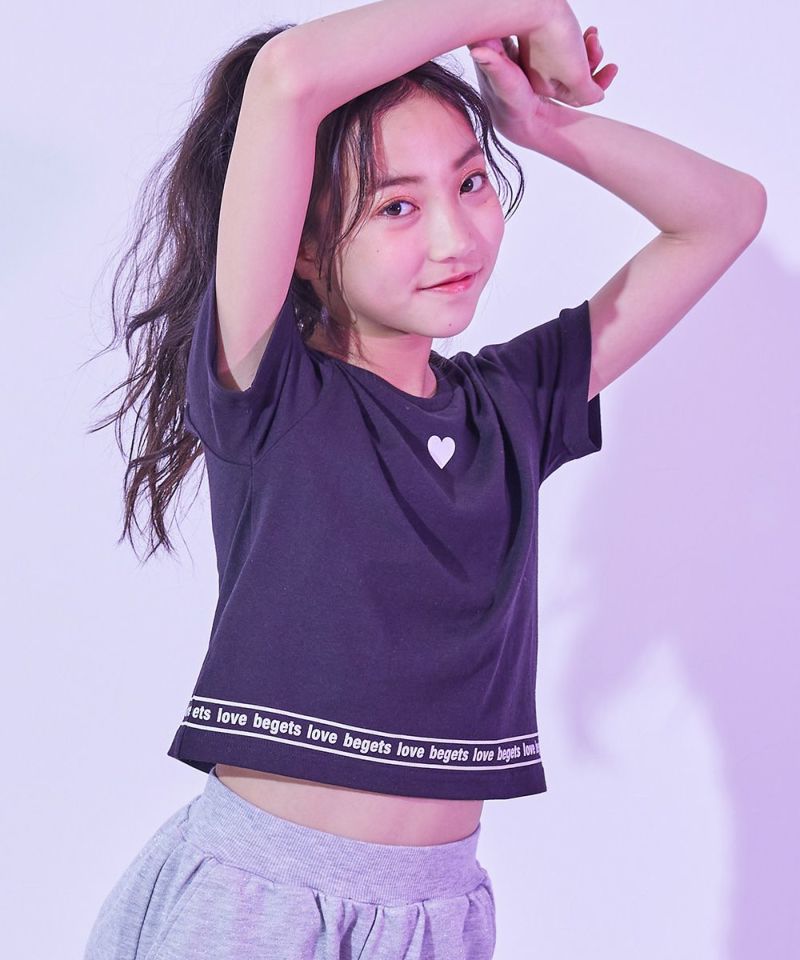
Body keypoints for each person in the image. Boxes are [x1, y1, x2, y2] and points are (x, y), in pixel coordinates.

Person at [83, 0, 766, 957]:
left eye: (472, 182)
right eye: (397, 206)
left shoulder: (514, 406)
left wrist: (539, 123)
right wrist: (526, 6)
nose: (455, 237)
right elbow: (287, 76)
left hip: (439, 915)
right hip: (259, 901)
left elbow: (727, 214)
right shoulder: (268, 393)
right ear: (305, 246)